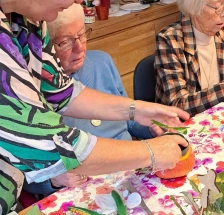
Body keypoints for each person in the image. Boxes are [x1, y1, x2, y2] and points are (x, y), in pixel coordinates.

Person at [0, 0, 190, 211]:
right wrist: (151, 152)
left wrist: (136, 110)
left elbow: (61, 92)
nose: (79, 1)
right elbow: (55, 144)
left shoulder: (29, 17)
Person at [23, 4, 162, 195]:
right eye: (65, 41)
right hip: (84, 189)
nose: (79, 48)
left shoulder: (102, 62)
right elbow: (24, 173)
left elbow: (129, 121)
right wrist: (53, 179)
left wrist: (152, 128)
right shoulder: (28, 89)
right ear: (44, 46)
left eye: (81, 34)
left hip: (131, 169)